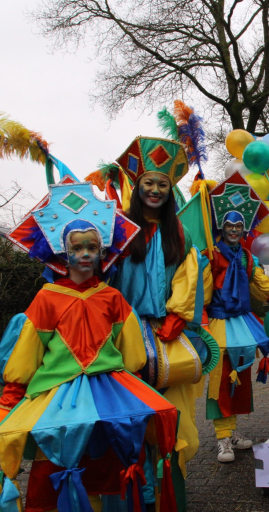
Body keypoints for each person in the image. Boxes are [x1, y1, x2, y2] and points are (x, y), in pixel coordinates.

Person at [0, 180, 182, 512]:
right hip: (58, 396)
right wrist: (6, 404)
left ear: (103, 253)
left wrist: (137, 392)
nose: (85, 254)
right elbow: (26, 357)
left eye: (92, 247)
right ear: (62, 252)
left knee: (109, 465)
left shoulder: (113, 298)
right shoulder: (46, 298)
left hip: (109, 393)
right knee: (53, 465)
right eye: (77, 247)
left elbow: (133, 357)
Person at [106, 136, 216, 504]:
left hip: (167, 335)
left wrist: (178, 316)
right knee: (129, 417)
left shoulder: (179, 232)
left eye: (162, 184)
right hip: (122, 338)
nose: (155, 190)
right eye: (148, 183)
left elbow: (189, 276)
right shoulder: (117, 229)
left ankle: (170, 486)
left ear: (171, 190)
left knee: (175, 419)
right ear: (137, 188)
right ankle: (133, 489)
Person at [202, 175, 269, 463]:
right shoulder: (210, 255)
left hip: (243, 322)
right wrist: (199, 325)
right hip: (219, 323)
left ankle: (232, 432)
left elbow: (261, 284)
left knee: (240, 380)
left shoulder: (247, 257)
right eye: (229, 226)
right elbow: (203, 293)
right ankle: (222, 438)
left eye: (239, 226)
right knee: (220, 382)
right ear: (220, 227)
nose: (234, 230)